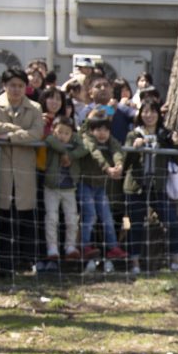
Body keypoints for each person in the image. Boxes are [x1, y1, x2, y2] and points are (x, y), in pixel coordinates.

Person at [0, 68, 43, 273]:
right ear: (4, 86)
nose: (16, 89)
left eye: (20, 85)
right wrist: (20, 132)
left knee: (24, 218)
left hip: (24, 170)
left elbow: (37, 133)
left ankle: (23, 262)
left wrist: (8, 137)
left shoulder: (35, 107)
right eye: (12, 85)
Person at [124, 100, 178, 273]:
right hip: (136, 187)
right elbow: (125, 162)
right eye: (145, 111)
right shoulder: (133, 134)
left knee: (173, 222)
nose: (149, 115)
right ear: (140, 114)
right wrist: (134, 149)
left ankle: (176, 261)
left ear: (159, 114)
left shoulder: (165, 135)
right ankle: (134, 264)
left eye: (153, 111)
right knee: (136, 225)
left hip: (158, 187)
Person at [77, 112, 127, 264]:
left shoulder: (110, 140)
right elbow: (95, 153)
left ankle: (113, 247)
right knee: (90, 215)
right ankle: (84, 246)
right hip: (85, 184)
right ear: (91, 130)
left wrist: (119, 165)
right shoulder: (87, 139)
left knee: (107, 216)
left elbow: (117, 149)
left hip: (100, 186)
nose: (102, 133)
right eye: (98, 129)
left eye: (105, 129)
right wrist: (107, 168)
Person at [41, 115, 86, 266]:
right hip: (51, 188)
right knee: (52, 218)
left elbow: (84, 147)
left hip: (69, 188)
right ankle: (52, 248)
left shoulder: (75, 142)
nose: (63, 136)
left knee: (72, 218)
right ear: (54, 130)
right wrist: (64, 151)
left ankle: (70, 246)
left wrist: (70, 155)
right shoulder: (51, 140)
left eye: (67, 133)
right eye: (60, 132)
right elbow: (49, 139)